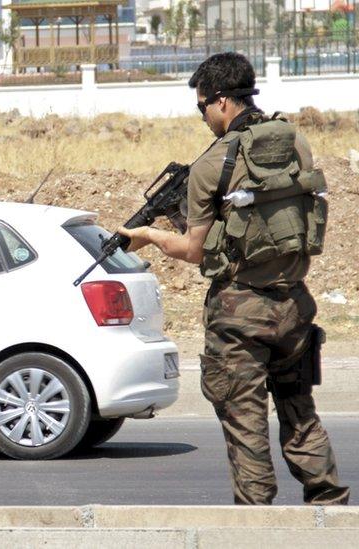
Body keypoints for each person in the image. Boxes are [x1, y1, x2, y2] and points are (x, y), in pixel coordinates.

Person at [118, 52, 348, 506]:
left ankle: (256, 524)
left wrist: (148, 235)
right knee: (300, 413)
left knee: (246, 424)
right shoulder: (295, 142)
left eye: (202, 106)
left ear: (222, 101)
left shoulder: (212, 165)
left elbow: (194, 249)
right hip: (294, 304)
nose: (202, 116)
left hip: (240, 314)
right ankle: (329, 510)